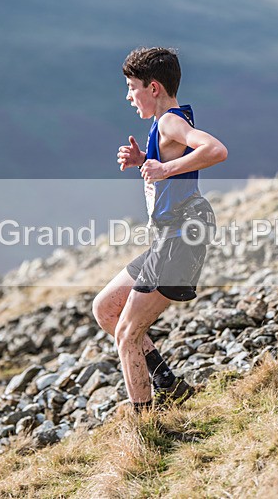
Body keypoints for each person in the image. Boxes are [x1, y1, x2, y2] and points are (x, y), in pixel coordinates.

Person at [92, 47, 228, 411]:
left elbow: (216, 150)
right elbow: (174, 162)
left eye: (131, 86)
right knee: (106, 309)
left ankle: (146, 426)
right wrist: (146, 160)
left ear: (153, 87)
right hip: (171, 235)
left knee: (127, 334)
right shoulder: (163, 125)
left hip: (183, 234)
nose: (128, 95)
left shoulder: (170, 121)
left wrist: (164, 170)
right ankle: (169, 384)